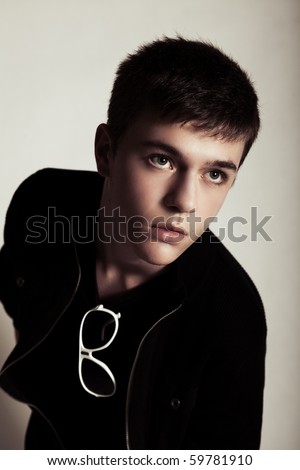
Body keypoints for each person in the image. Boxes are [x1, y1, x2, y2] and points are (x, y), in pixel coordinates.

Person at [0, 36, 266, 450]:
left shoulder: (231, 315)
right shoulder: (42, 206)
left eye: (215, 174)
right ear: (106, 152)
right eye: (162, 159)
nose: (185, 202)